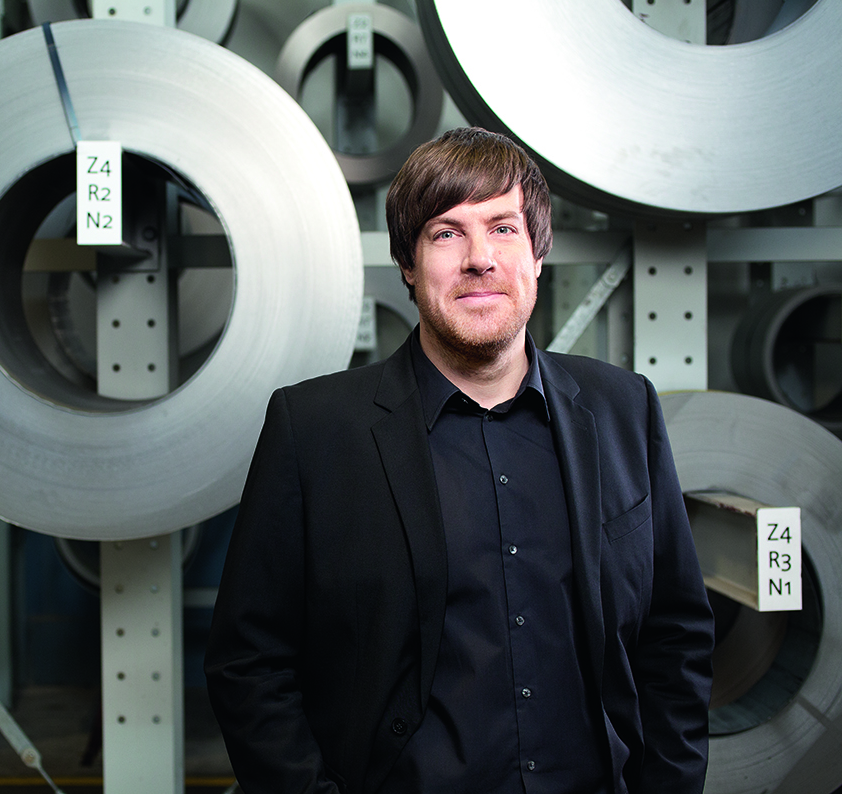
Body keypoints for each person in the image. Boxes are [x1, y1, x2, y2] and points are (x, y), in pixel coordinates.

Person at [204, 127, 713, 794]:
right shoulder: (315, 430)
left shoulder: (623, 410)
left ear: (537, 254)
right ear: (409, 264)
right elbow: (250, 661)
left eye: (503, 228)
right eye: (447, 232)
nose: (480, 258)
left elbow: (674, 636)